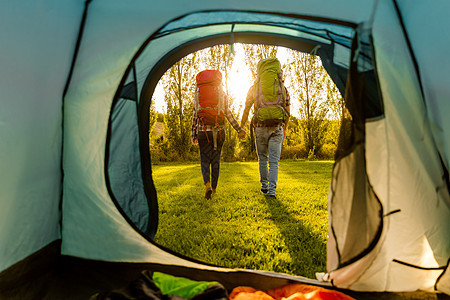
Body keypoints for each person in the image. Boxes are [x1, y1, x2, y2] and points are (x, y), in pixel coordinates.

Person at [240, 58, 290, 199]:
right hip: (277, 128)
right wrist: (284, 129)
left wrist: (241, 127)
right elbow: (288, 112)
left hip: (260, 127)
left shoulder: (254, 87)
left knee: (262, 158)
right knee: (274, 161)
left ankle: (264, 187)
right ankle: (272, 191)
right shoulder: (282, 87)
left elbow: (246, 109)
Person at [192, 69, 246, 199]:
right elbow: (227, 113)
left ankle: (208, 185)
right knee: (215, 160)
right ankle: (214, 189)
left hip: (203, 131)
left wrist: (193, 134)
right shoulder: (221, 92)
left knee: (204, 160)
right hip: (219, 132)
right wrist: (239, 129)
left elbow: (195, 114)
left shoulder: (198, 93)